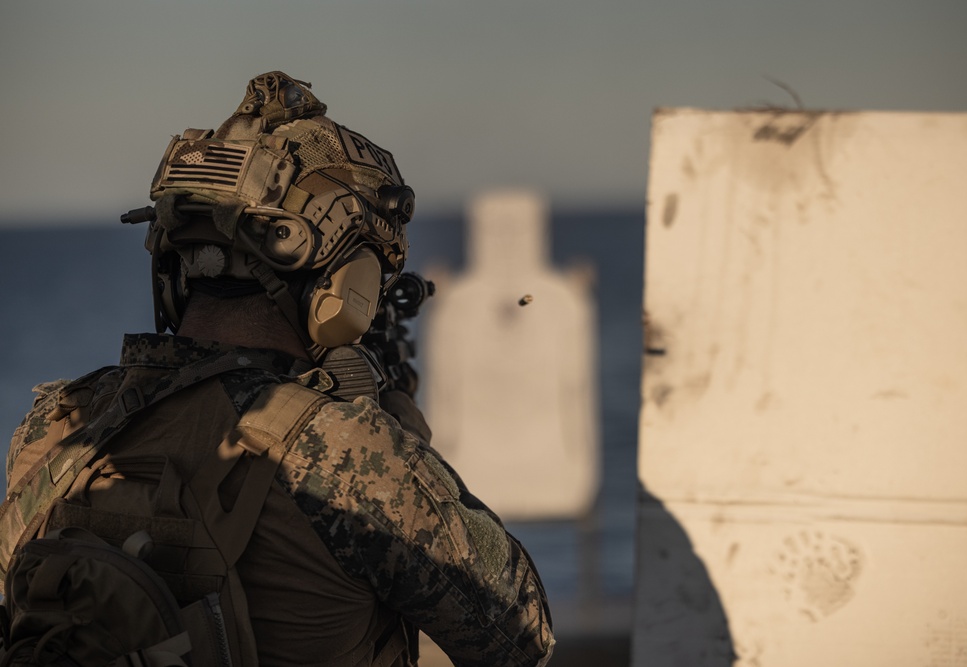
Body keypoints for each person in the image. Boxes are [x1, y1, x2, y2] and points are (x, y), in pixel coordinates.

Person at [0, 72, 554, 666]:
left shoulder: (57, 427)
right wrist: (406, 453)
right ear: (345, 282)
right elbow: (523, 639)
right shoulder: (351, 453)